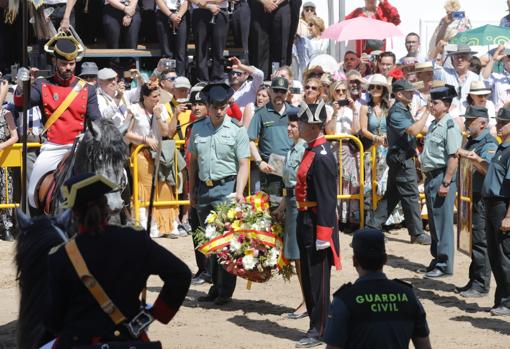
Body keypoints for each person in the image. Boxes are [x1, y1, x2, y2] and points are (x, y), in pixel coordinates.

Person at [45, 172, 191, 347]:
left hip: (80, 342)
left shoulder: (60, 256)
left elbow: (53, 320)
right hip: (128, 339)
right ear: (106, 206)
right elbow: (180, 274)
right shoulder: (135, 239)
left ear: (74, 213)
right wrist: (156, 313)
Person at [13, 35, 101, 213]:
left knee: (112, 182)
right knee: (31, 193)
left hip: (79, 147)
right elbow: (21, 104)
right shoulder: (42, 85)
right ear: (54, 61)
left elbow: (96, 120)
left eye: (71, 63)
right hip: (53, 147)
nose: (68, 68)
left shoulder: (87, 89)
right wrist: (24, 86)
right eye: (63, 64)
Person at [188, 82, 250, 305]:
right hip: (204, 188)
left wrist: (239, 192)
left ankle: (225, 290)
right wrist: (191, 190)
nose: (219, 110)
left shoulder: (236, 130)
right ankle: (215, 283)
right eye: (215, 106)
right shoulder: (197, 128)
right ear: (207, 105)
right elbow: (193, 162)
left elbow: (244, 164)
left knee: (225, 242)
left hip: (226, 188)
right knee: (209, 242)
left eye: (222, 106)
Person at [324, 228, 432, 349]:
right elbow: (424, 345)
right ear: (385, 259)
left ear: (355, 261)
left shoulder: (344, 300)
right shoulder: (408, 295)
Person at [294, 100, 340, 348]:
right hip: (306, 218)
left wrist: (324, 233)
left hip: (316, 222)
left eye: (302, 121)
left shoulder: (322, 155)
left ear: (313, 125)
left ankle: (320, 328)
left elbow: (326, 197)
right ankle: (316, 323)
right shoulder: (310, 149)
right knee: (310, 277)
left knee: (318, 279)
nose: (298, 125)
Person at [366, 80, 431, 244]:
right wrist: (427, 112)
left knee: (392, 196)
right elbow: (413, 130)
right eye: (409, 92)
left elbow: (417, 128)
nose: (412, 94)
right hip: (402, 159)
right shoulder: (396, 112)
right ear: (399, 94)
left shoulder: (402, 109)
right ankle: (417, 233)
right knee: (410, 195)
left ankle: (373, 227)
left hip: (400, 158)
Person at [125, 81, 178, 238]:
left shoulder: (160, 110)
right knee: (146, 188)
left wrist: (158, 116)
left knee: (165, 187)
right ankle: (148, 224)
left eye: (159, 95)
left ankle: (167, 225)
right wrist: (144, 140)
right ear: (145, 97)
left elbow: (167, 132)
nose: (157, 99)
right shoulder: (133, 109)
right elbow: (126, 133)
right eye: (154, 96)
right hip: (140, 153)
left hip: (160, 154)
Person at [420, 84, 462, 278]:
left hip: (441, 177)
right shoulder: (435, 123)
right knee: (435, 222)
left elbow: (453, 156)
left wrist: (446, 182)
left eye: (435, 102)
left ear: (446, 105)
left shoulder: (449, 125)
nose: (431, 105)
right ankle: (437, 259)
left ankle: (444, 264)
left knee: (443, 223)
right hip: (431, 177)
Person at [456, 106, 498, 297]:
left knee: (480, 241)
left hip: (480, 198)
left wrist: (474, 158)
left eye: (469, 120)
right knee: (471, 241)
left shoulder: (488, 142)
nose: (466, 123)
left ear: (482, 123)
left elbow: (488, 170)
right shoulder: (471, 140)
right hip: (469, 195)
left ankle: (481, 284)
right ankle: (474, 279)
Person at [272, 114, 307, 319]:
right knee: (296, 256)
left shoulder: (302, 149)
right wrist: (281, 208)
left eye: (293, 126)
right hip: (292, 202)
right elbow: (288, 186)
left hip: (300, 205)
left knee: (300, 256)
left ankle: (307, 301)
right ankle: (306, 299)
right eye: (289, 125)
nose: (289, 129)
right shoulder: (294, 149)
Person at [360, 74, 404, 227]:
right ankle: (372, 221)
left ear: (384, 89)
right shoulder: (366, 107)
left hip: (388, 150)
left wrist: (387, 136)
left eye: (378, 87)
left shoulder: (390, 106)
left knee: (387, 183)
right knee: (372, 185)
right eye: (372, 87)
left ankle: (388, 220)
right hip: (372, 150)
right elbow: (363, 129)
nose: (375, 90)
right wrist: (375, 138)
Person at [481, 106, 510, 316]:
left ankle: (508, 302)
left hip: (502, 205)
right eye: (498, 122)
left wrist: (509, 216)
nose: (498, 125)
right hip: (492, 204)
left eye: (503, 122)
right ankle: (502, 299)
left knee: (504, 256)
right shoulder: (502, 148)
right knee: (495, 255)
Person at [248, 77, 298, 199]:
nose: (279, 94)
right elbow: (250, 140)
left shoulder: (295, 112)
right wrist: (260, 162)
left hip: (292, 167)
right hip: (271, 171)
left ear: (287, 93)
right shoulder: (261, 113)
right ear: (270, 91)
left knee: (292, 206)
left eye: (282, 91)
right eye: (276, 91)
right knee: (272, 207)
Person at [325, 80, 361, 229]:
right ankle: (337, 218)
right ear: (332, 92)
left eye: (343, 91)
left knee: (350, 183)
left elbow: (356, 130)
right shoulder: (327, 108)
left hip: (348, 146)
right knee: (335, 183)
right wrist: (334, 113)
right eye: (337, 91)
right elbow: (329, 131)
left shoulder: (352, 108)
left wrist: (354, 111)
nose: (341, 94)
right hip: (333, 146)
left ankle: (350, 218)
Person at [433, 44, 481, 116]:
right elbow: (431, 66)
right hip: (449, 116)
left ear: (469, 60)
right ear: (452, 61)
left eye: (463, 57)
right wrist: (437, 50)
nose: (460, 59)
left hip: (469, 117)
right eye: (456, 57)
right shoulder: (445, 73)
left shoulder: (476, 78)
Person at [249, 0, 291, 79]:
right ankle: (261, 80)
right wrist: (265, 1)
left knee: (280, 48)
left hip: (281, 6)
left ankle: (278, 79)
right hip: (258, 6)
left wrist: (276, 3)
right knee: (260, 47)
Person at [189, 0, 229, 82]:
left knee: (218, 49)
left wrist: (207, 2)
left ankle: (218, 80)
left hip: (220, 9)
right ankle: (202, 80)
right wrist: (207, 6)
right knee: (201, 49)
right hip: (199, 11)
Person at [0, 80, 18, 241]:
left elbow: (15, 137)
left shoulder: (6, 113)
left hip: (4, 161)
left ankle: (6, 226)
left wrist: (0, 146)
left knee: (6, 194)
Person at [155, 0, 189, 76]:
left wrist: (179, 15)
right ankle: (169, 79)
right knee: (167, 53)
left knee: (181, 52)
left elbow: (187, 1)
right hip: (163, 13)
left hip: (181, 14)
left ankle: (181, 79)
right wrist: (171, 15)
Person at [482, 45, 510, 111]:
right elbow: (483, 79)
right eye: (509, 57)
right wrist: (493, 59)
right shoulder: (496, 76)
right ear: (503, 59)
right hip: (500, 117)